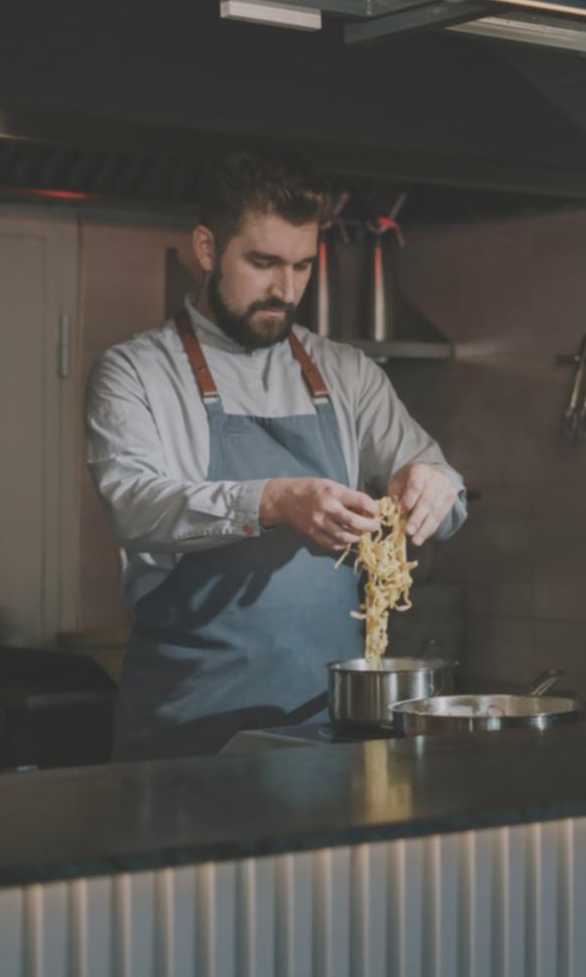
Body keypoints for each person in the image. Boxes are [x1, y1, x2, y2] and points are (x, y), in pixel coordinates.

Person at [85, 150, 467, 759]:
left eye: (300, 266)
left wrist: (436, 483)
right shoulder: (135, 371)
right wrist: (273, 500)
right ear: (207, 249)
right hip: (189, 728)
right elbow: (134, 505)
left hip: (327, 725)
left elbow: (443, 495)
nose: (284, 290)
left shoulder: (346, 372)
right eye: (262, 263)